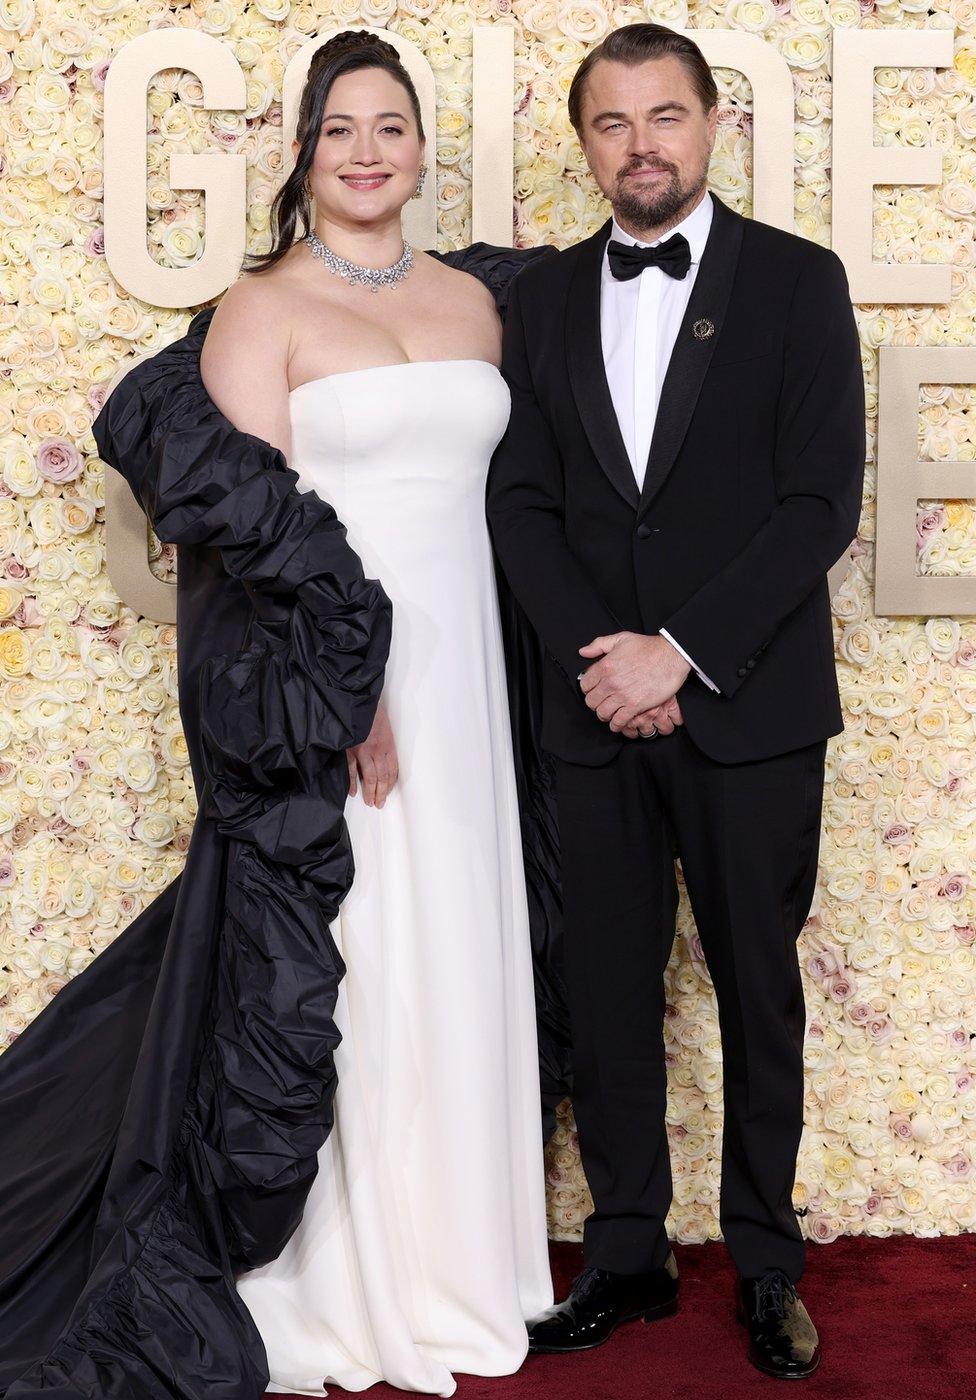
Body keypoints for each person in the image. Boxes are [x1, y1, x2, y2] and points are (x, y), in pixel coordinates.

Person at [0, 29, 557, 1400]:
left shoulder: (481, 308)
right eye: (339, 131)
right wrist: (337, 695)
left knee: (462, 947)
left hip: (470, 676)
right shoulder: (261, 312)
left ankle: (467, 1266)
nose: (367, 154)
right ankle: (358, 1280)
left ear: (424, 150)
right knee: (362, 963)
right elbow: (248, 550)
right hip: (337, 690)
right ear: (302, 156)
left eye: (391, 128)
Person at [486, 21, 865, 1382]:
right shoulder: (534, 303)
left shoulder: (801, 285)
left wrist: (682, 651)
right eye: (611, 122)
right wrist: (608, 657)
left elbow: (821, 499)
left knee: (760, 990)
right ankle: (627, 1254)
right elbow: (520, 503)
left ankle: (767, 1263)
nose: (640, 144)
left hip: (751, 710)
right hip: (592, 712)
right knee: (605, 986)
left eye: (665, 116)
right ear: (584, 141)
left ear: (712, 125)